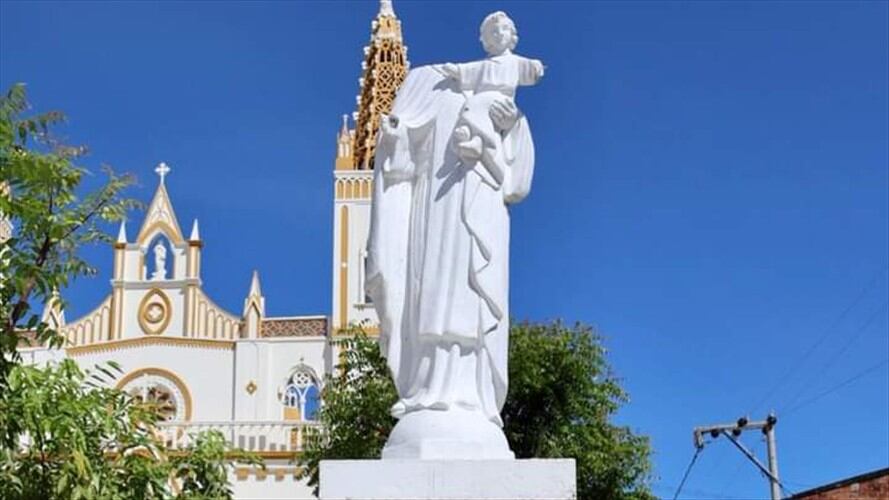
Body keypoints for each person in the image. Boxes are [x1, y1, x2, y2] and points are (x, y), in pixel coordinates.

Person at [366, 11, 543, 459]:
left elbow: (515, 179)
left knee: (473, 297)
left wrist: (509, 126)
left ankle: (472, 397)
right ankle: (426, 390)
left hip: (480, 214)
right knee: (432, 301)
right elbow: (398, 151)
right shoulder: (435, 90)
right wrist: (396, 135)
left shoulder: (499, 102)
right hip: (435, 217)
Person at [439, 10, 544, 187]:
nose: (499, 34)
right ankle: (472, 138)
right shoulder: (483, 65)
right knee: (471, 106)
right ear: (486, 39)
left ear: (512, 35)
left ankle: (477, 140)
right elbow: (467, 70)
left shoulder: (515, 62)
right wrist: (455, 70)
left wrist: (536, 67)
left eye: (503, 29)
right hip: (481, 102)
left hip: (500, 101)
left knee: (473, 106)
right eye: (493, 32)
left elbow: (532, 70)